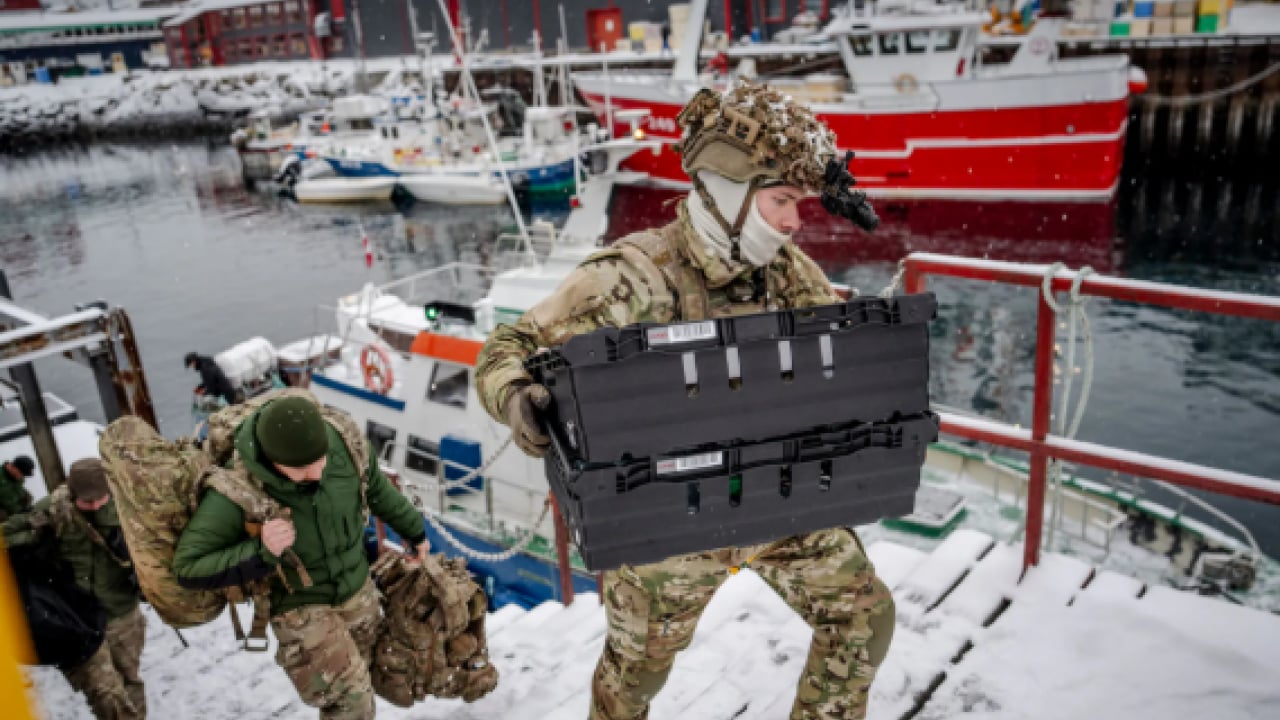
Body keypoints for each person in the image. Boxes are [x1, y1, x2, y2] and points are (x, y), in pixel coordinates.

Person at [474, 81, 896, 720]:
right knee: (631, 682)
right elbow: (507, 346)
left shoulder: (785, 270)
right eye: (782, 200)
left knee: (864, 617)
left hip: (773, 494)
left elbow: (827, 354)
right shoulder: (631, 278)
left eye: (798, 203)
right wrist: (517, 398)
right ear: (730, 192)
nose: (792, 220)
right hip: (667, 519)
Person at [172, 394, 431, 720]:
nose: (317, 472)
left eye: (321, 460)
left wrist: (415, 532)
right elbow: (188, 567)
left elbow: (376, 490)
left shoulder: (345, 442)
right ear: (270, 460)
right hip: (300, 606)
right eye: (301, 468)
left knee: (367, 672)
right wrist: (261, 550)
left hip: (356, 587)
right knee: (351, 702)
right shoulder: (236, 489)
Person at [3, 459, 147, 719]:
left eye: (99, 500)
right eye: (86, 501)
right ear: (72, 490)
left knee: (130, 678)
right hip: (80, 619)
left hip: (122, 611)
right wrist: (36, 537)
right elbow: (8, 534)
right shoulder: (54, 509)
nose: (93, 506)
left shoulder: (128, 505)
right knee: (104, 692)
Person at [1, 455, 35, 521]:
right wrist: (20, 510)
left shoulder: (17, 476)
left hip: (11, 499)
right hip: (3, 504)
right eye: (22, 474)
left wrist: (26, 506)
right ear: (14, 468)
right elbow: (7, 501)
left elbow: (19, 490)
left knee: (28, 497)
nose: (22, 477)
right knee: (3, 515)